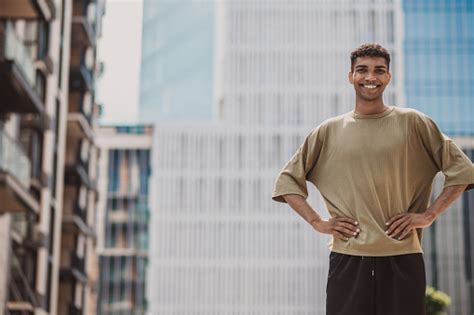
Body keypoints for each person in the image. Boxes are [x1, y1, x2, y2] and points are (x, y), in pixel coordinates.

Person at [271, 43, 474, 315]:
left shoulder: (414, 122)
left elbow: (462, 170)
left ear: (388, 77)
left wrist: (429, 215)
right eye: (362, 70)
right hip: (348, 258)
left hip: (403, 256)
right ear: (350, 76)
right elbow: (287, 181)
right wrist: (318, 222)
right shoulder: (328, 131)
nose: (370, 77)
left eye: (379, 71)